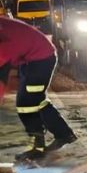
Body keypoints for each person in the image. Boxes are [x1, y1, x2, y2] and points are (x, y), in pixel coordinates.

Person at [0, 17, 77, 160]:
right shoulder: (3, 28)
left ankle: (38, 148)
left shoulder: (3, 40)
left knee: (26, 103)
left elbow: (1, 76)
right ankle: (64, 134)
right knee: (37, 100)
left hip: (40, 59)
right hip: (32, 58)